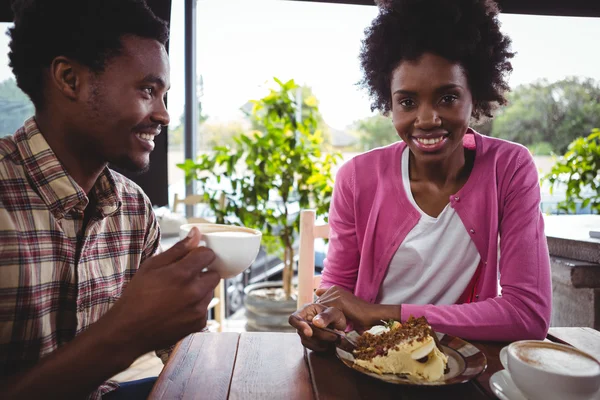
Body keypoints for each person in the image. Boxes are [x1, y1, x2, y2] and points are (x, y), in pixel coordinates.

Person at [290, 0, 552, 352]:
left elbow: (528, 314)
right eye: (408, 102)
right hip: (372, 360)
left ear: (475, 96)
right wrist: (323, 323)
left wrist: (382, 313)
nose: (427, 119)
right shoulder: (357, 178)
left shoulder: (509, 168)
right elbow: (339, 296)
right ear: (389, 102)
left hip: (462, 364)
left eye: (447, 97)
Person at [0, 1, 220, 398]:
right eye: (148, 91)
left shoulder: (134, 209)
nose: (164, 115)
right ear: (70, 79)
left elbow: (175, 350)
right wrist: (123, 333)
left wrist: (184, 319)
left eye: (164, 95)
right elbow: (131, 332)